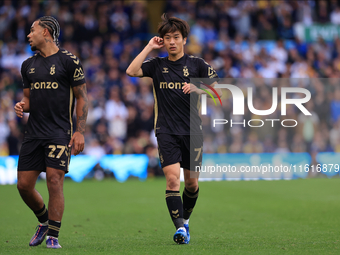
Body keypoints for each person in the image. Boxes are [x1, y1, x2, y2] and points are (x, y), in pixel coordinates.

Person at [126, 13, 221, 244]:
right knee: (171, 181)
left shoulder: (197, 64)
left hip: (193, 131)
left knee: (191, 183)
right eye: (166, 37)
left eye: (175, 37)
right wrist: (149, 46)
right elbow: (131, 71)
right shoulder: (157, 65)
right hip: (166, 130)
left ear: (184, 39)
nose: (171, 41)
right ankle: (179, 229)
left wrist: (198, 88)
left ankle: (185, 222)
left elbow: (217, 87)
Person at [14, 16, 88, 249]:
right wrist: (21, 106)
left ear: (45, 32)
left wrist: (79, 132)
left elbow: (82, 98)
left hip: (59, 132)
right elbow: (29, 100)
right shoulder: (28, 65)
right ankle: (44, 221)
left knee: (54, 180)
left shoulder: (69, 61)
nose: (28, 35)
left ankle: (53, 236)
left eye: (32, 30)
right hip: (34, 133)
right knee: (23, 186)